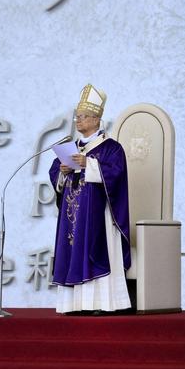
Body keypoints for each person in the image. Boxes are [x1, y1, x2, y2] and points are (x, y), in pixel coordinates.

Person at [48, 84, 132, 315]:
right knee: (72, 251)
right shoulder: (70, 147)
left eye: (83, 117)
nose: (78, 121)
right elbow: (55, 174)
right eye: (77, 117)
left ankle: (102, 304)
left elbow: (117, 174)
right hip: (73, 215)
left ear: (96, 120)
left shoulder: (111, 149)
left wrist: (90, 165)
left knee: (95, 251)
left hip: (99, 216)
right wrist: (62, 172)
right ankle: (74, 305)